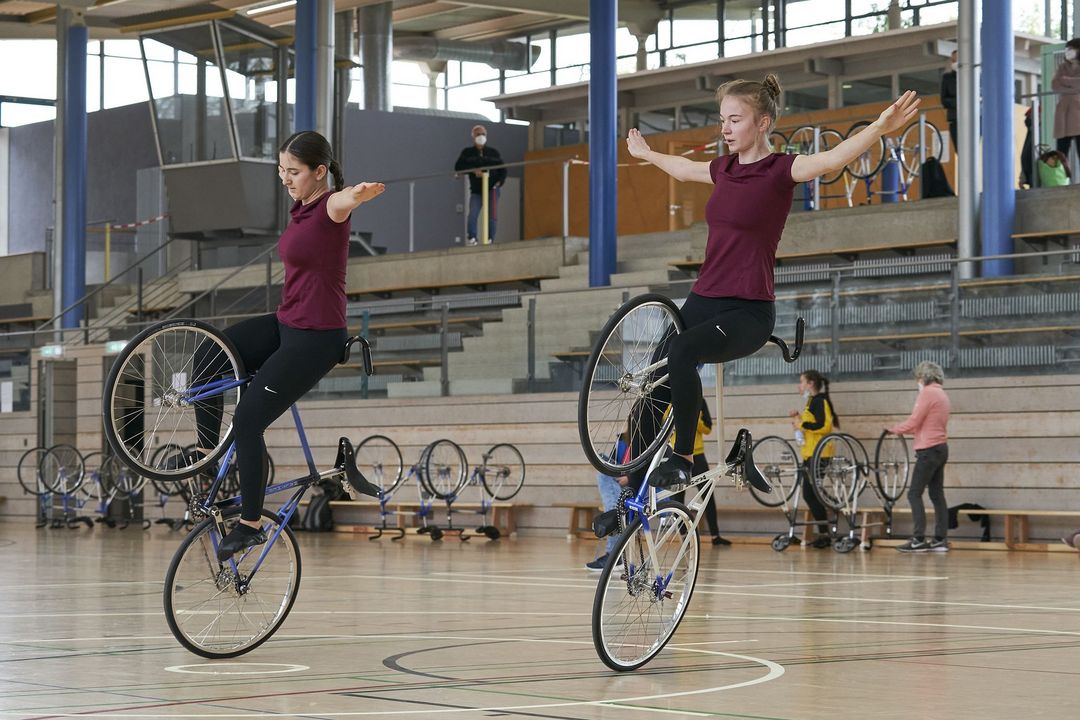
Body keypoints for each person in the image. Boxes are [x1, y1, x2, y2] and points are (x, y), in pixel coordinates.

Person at [625, 75, 921, 490]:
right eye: (722, 120)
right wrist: (647, 153)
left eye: (735, 119)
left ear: (762, 123)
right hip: (702, 300)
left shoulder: (782, 169)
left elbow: (833, 159)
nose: (725, 129)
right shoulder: (723, 169)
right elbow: (684, 168)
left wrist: (878, 127)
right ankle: (627, 501)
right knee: (649, 393)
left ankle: (682, 458)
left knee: (683, 348)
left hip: (747, 310)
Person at [188, 130, 386, 561]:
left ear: (320, 172)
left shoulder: (331, 207)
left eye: (293, 171)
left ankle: (251, 523)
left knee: (248, 421)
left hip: (317, 338)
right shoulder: (300, 209)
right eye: (281, 170)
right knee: (208, 353)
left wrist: (357, 194)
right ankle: (206, 453)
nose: (285, 178)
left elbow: (343, 201)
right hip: (287, 323)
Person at [887, 361, 951, 553]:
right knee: (937, 494)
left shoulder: (927, 393)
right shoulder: (942, 394)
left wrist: (895, 429)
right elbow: (925, 424)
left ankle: (918, 538)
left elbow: (915, 421)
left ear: (923, 377)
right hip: (941, 447)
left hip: (928, 450)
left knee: (914, 493)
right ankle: (940, 538)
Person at [788, 370, 837, 549]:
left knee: (810, 494)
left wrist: (802, 424)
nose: (799, 386)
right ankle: (828, 522)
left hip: (820, 455)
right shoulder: (811, 402)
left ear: (810, 384)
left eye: (801, 382)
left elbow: (824, 425)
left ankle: (825, 532)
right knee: (812, 493)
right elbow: (809, 427)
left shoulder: (820, 401)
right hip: (810, 455)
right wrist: (798, 418)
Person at [454, 124, 506, 245]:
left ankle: (490, 238)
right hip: (477, 190)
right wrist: (473, 170)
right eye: (478, 134)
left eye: (483, 134)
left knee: (492, 215)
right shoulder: (467, 153)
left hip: (492, 188)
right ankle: (472, 237)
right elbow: (458, 167)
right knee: (473, 213)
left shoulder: (493, 152)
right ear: (473, 136)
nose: (481, 136)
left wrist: (499, 182)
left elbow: (502, 169)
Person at [1053, 38, 1080, 161]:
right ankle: (1061, 179)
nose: (1068, 52)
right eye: (1067, 49)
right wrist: (1073, 86)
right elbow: (1055, 85)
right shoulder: (1062, 67)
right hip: (1063, 112)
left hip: (1077, 111)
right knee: (1061, 153)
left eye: (1071, 49)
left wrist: (1065, 80)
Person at [940, 49, 957, 153]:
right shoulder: (947, 78)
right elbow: (944, 100)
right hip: (955, 118)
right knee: (959, 149)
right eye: (954, 60)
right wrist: (959, 102)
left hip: (973, 118)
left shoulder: (975, 76)